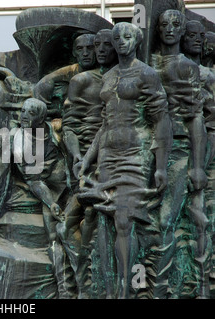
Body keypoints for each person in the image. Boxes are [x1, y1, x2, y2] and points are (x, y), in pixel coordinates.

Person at [79, 22, 172, 298]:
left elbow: (162, 120)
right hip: (108, 154)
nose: (121, 42)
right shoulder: (107, 76)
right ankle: (111, 289)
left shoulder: (147, 74)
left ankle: (128, 288)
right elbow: (104, 124)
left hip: (135, 153)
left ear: (136, 40)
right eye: (117, 37)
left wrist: (161, 166)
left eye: (127, 37)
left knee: (124, 220)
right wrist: (88, 158)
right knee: (106, 221)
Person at [150, 10, 209, 298]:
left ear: (182, 29)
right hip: (145, 151)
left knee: (172, 219)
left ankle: (179, 286)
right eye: (164, 25)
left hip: (180, 149)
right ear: (157, 30)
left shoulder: (187, 67)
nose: (170, 29)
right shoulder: (146, 65)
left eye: (176, 25)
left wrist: (198, 166)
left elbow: (196, 118)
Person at [56, 28, 118, 298]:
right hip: (86, 164)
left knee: (97, 220)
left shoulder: (122, 78)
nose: (96, 52)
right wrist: (77, 157)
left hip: (117, 160)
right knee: (71, 224)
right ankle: (82, 283)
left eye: (102, 46)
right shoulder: (81, 81)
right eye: (94, 46)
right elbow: (69, 126)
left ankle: (95, 284)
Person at [12, 97, 69, 297]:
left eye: (31, 113)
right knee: (53, 234)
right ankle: (64, 288)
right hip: (49, 189)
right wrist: (51, 202)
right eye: (23, 111)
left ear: (42, 118)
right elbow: (34, 180)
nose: (24, 116)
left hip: (73, 182)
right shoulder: (19, 142)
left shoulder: (56, 129)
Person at [33, 34, 97, 111]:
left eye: (90, 48)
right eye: (80, 49)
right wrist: (45, 108)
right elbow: (43, 83)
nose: (85, 53)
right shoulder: (71, 70)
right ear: (74, 52)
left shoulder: (104, 72)